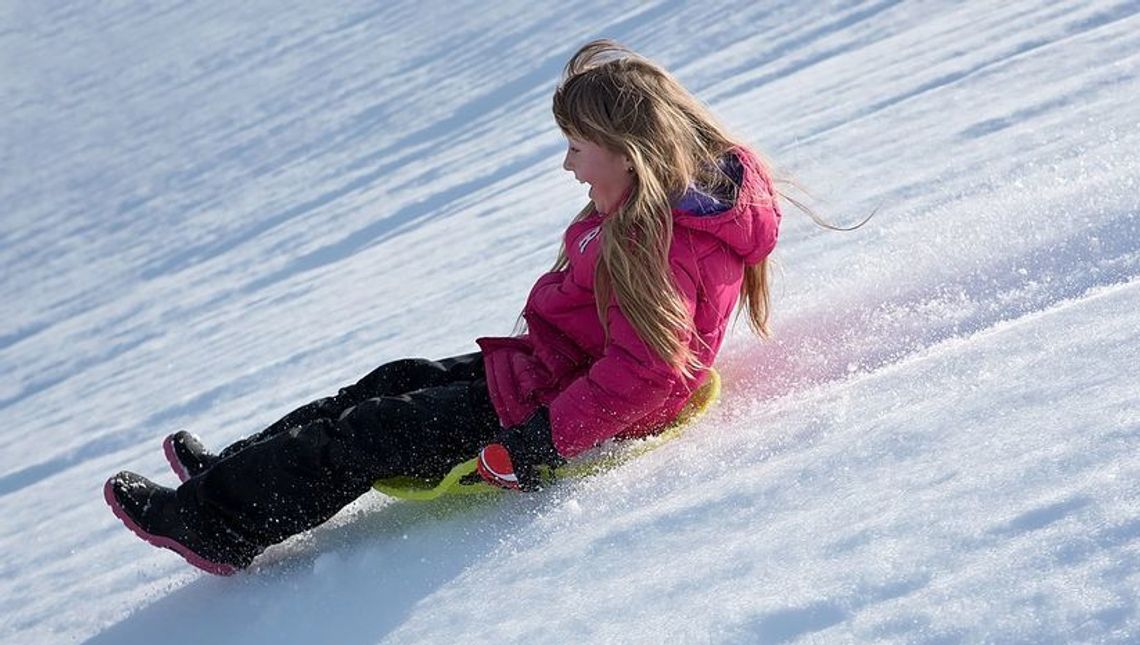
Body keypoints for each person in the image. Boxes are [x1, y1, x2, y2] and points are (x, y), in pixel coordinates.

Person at [104, 39, 782, 576]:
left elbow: (646, 375)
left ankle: (215, 524)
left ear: (631, 155)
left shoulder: (657, 242)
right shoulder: (656, 212)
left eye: (577, 148)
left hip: (549, 410)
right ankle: (231, 471)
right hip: (547, 372)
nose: (568, 167)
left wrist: (541, 442)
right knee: (390, 380)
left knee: (366, 432)